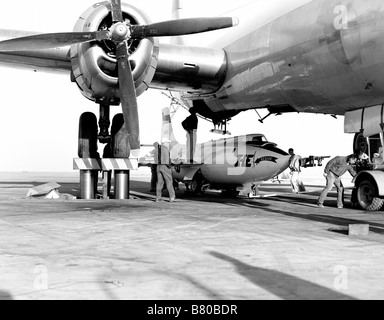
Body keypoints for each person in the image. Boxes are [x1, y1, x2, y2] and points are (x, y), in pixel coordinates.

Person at [155, 139, 176, 203]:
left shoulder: (157, 149)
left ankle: (158, 198)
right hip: (165, 166)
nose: (168, 144)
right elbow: (166, 159)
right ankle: (172, 197)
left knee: (159, 183)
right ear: (165, 143)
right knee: (169, 181)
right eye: (168, 143)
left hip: (158, 166)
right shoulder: (166, 149)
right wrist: (170, 165)